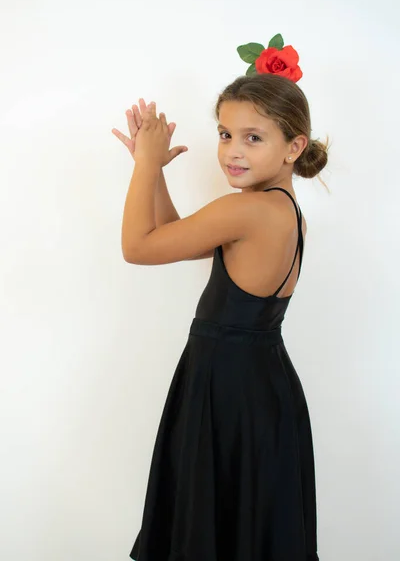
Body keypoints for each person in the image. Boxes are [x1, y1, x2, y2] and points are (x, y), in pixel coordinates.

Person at [112, 36, 328, 561]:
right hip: (256, 386)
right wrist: (155, 168)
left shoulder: (248, 211)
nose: (233, 150)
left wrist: (144, 163)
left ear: (293, 147)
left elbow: (138, 248)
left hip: (227, 390)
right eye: (226, 133)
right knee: (241, 529)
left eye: (253, 137)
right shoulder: (280, 210)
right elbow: (176, 237)